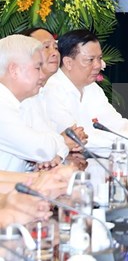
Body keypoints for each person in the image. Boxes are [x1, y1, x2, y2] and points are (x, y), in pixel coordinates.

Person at [42, 29, 128, 150]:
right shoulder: (51, 90)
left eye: (99, 58)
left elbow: (115, 123)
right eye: (90, 60)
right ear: (68, 63)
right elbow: (77, 138)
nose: (97, 65)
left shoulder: (92, 88)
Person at [19, 28, 88, 167]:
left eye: (55, 47)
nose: (54, 53)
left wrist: (68, 140)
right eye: (46, 47)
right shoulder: (21, 95)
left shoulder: (42, 93)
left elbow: (50, 141)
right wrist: (63, 142)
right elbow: (39, 149)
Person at [0, 35, 69, 172]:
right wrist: (49, 151)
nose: (41, 75)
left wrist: (54, 154)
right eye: (38, 68)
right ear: (14, 70)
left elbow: (56, 141)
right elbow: (43, 149)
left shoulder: (24, 102)